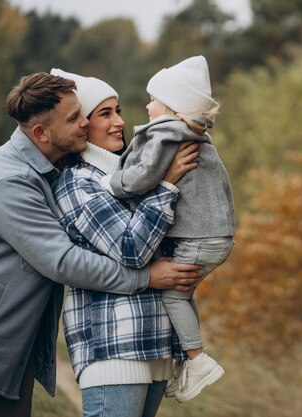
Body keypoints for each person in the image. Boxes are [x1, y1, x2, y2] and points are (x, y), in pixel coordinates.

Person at [0, 73, 202, 417]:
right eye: (74, 118)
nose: (85, 122)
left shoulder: (49, 170)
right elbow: (63, 261)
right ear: (41, 133)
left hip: (9, 351)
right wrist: (145, 278)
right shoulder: (8, 181)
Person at [49, 68, 203, 416]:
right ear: (82, 124)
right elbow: (131, 249)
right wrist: (166, 185)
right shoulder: (78, 183)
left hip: (154, 346)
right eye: (105, 113)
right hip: (113, 348)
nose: (119, 121)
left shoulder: (129, 177)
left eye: (118, 110)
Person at [101, 55, 235, 403]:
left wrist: (110, 182)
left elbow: (142, 177)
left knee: (173, 293)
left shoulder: (166, 134)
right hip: (216, 236)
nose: (147, 105)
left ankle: (197, 360)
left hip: (199, 237)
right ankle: (185, 363)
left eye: (153, 99)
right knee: (183, 295)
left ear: (173, 106)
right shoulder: (195, 133)